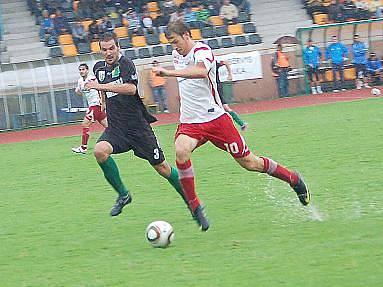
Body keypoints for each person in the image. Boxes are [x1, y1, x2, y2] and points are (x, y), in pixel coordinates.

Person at [152, 20, 311, 231]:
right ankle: (195, 205)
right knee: (181, 151)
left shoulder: (202, 51)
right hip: (191, 122)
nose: (174, 47)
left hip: (216, 120)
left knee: (250, 163)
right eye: (171, 43)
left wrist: (169, 74)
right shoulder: (176, 55)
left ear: (187, 35)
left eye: (176, 41)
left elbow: (201, 71)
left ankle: (293, 178)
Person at [84, 32, 188, 220]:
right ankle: (123, 195)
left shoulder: (126, 64)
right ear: (100, 51)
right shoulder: (98, 68)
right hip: (117, 129)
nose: (108, 53)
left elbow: (130, 89)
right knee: (99, 151)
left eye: (112, 48)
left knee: (163, 168)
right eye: (104, 49)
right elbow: (103, 93)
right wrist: (103, 107)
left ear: (118, 47)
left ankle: (192, 202)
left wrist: (101, 87)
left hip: (138, 129)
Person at [72, 63, 108, 154]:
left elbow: (101, 89)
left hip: (96, 105)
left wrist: (103, 102)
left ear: (87, 70)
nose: (81, 71)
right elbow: (80, 91)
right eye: (80, 70)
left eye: (83, 69)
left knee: (85, 124)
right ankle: (123, 138)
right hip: (92, 105)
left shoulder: (92, 79)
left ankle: (83, 148)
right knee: (108, 126)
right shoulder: (80, 81)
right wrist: (78, 91)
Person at [216, 59, 248, 130]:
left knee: (224, 108)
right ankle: (241, 124)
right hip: (209, 89)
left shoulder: (213, 62)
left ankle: (239, 124)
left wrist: (230, 74)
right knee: (223, 108)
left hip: (216, 88)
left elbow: (226, 62)